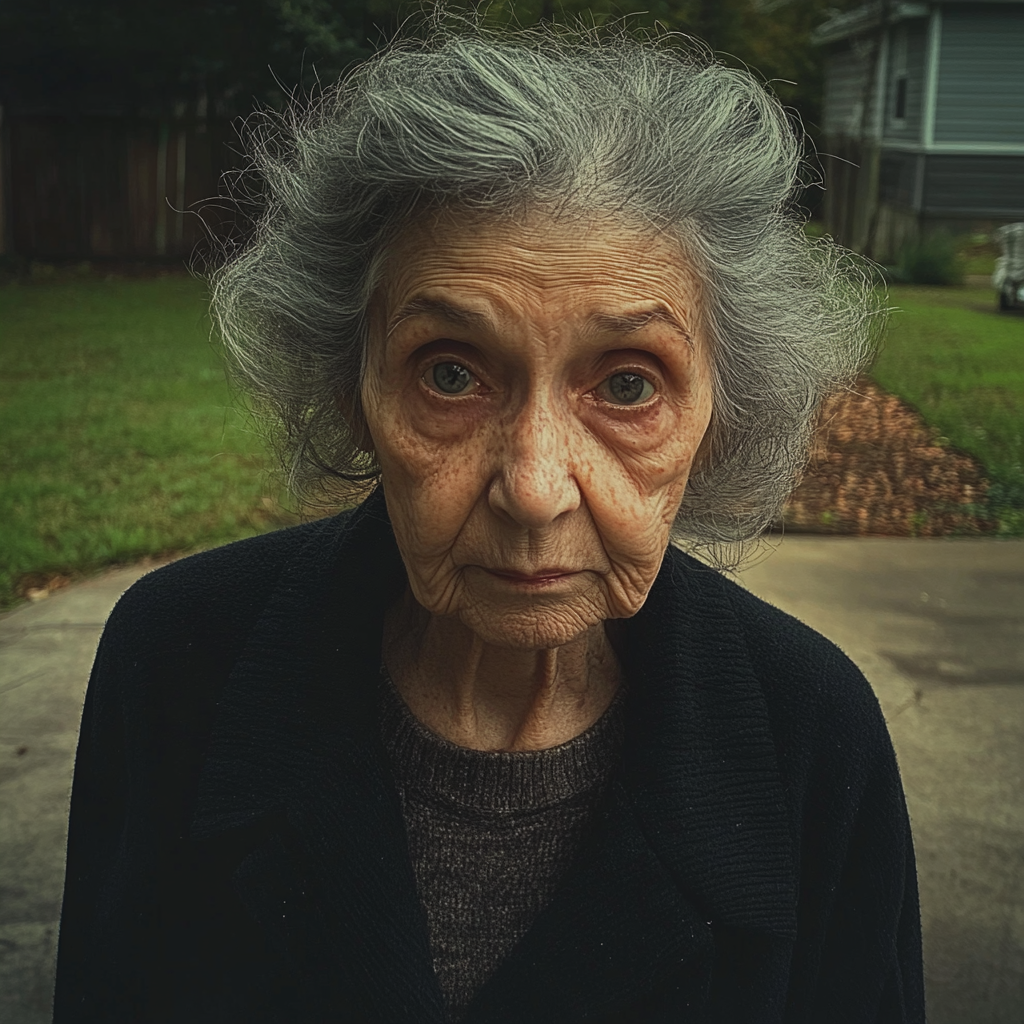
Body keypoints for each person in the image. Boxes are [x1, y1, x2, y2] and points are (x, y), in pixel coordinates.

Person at [53, 17, 924, 1024]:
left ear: (717, 417)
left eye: (629, 383)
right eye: (452, 372)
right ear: (355, 391)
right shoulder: (176, 662)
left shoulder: (812, 737)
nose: (536, 485)